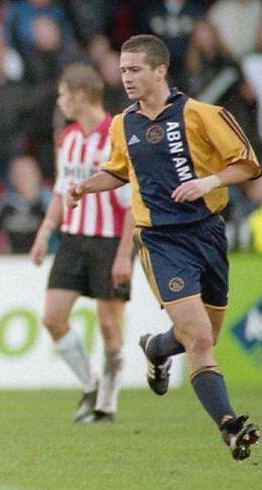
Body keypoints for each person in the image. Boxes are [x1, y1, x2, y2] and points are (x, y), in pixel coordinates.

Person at [68, 34, 261, 460]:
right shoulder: (122, 124)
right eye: (122, 70)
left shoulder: (203, 115)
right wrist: (86, 185)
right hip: (161, 240)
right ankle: (230, 427)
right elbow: (119, 171)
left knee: (204, 335)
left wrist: (208, 182)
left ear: (160, 71)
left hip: (207, 233)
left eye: (134, 69)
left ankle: (156, 348)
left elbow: (249, 164)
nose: (126, 78)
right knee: (199, 340)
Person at [29, 64, 134, 424]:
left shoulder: (117, 136)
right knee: (52, 317)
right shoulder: (69, 136)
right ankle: (90, 384)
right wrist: (45, 233)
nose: (60, 102)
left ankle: (107, 403)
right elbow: (62, 190)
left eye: (62, 95)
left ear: (80, 96)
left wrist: (125, 255)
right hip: (73, 239)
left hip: (110, 242)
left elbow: (133, 203)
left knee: (109, 326)